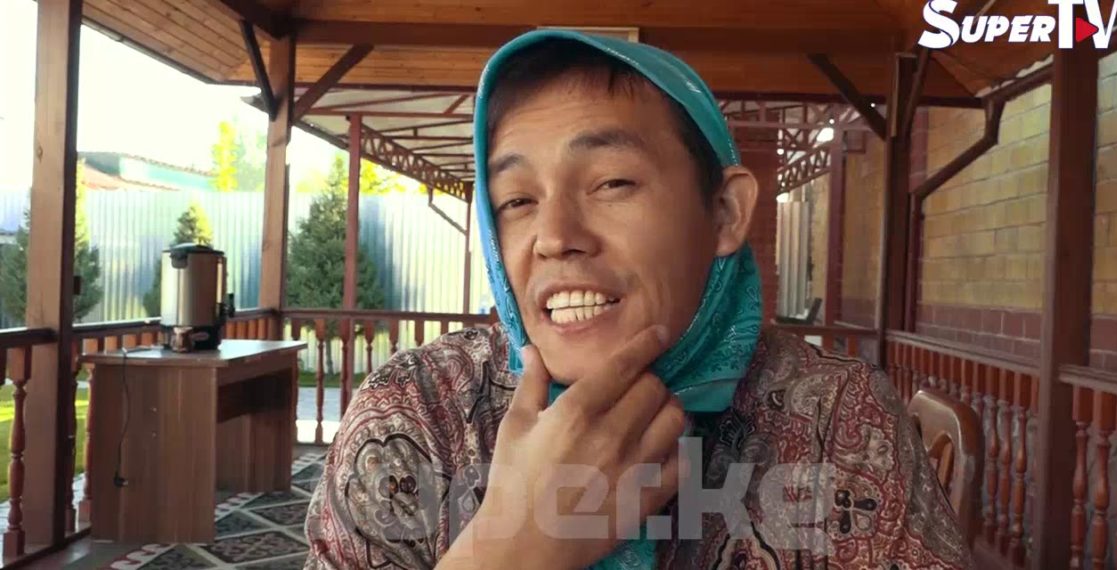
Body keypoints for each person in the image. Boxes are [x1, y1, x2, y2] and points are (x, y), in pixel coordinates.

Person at [303, 30, 972, 570]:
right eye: (517, 200)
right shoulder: (417, 411)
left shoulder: (835, 418)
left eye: (612, 183)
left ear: (724, 211)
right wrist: (514, 548)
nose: (554, 237)